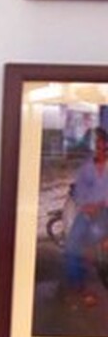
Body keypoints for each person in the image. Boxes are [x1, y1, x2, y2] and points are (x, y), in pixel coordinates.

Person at [63, 126, 108, 307]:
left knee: (95, 233)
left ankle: (89, 255)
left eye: (101, 144)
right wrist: (85, 205)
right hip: (86, 210)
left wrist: (101, 204)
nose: (98, 148)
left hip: (105, 210)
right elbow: (79, 191)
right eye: (95, 145)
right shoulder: (86, 167)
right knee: (71, 245)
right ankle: (78, 286)